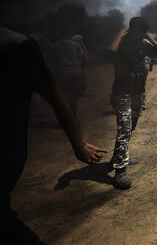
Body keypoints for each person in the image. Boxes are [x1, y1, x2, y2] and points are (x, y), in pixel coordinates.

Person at [2, 27, 106, 244]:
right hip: (10, 149)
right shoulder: (20, 44)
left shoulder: (24, 46)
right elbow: (57, 97)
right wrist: (78, 143)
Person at [109, 17, 157, 189]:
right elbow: (110, 53)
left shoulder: (144, 44)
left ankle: (118, 156)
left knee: (131, 126)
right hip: (122, 92)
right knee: (124, 129)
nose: (140, 33)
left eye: (144, 31)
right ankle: (120, 171)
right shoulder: (122, 44)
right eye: (140, 30)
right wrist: (120, 36)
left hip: (138, 92)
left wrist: (149, 38)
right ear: (131, 29)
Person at [45, 33, 88, 115]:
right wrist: (80, 68)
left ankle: (66, 116)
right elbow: (83, 56)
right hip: (76, 73)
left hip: (63, 74)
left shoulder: (55, 46)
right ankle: (73, 115)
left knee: (64, 96)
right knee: (73, 95)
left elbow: (49, 61)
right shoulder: (75, 44)